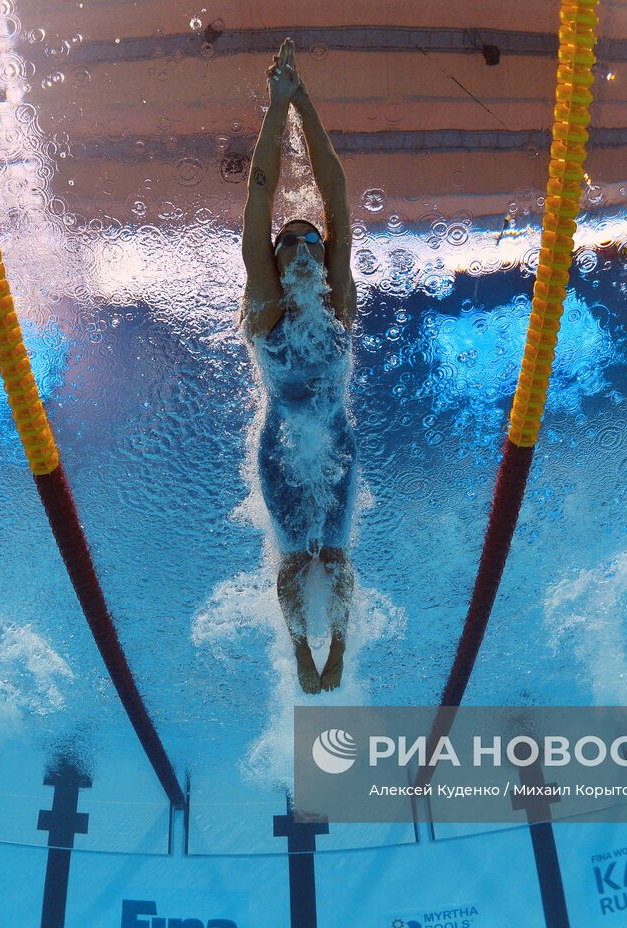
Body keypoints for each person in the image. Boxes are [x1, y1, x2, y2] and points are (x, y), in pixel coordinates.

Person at [240, 40, 356, 692]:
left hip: (336, 437)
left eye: (311, 236)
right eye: (288, 240)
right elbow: (259, 198)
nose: (303, 242)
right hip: (282, 446)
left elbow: (333, 186)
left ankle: (337, 647)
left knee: (335, 556)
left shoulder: (339, 299)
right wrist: (274, 107)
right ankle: (299, 652)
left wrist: (301, 98)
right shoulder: (265, 308)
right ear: (275, 260)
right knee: (293, 562)